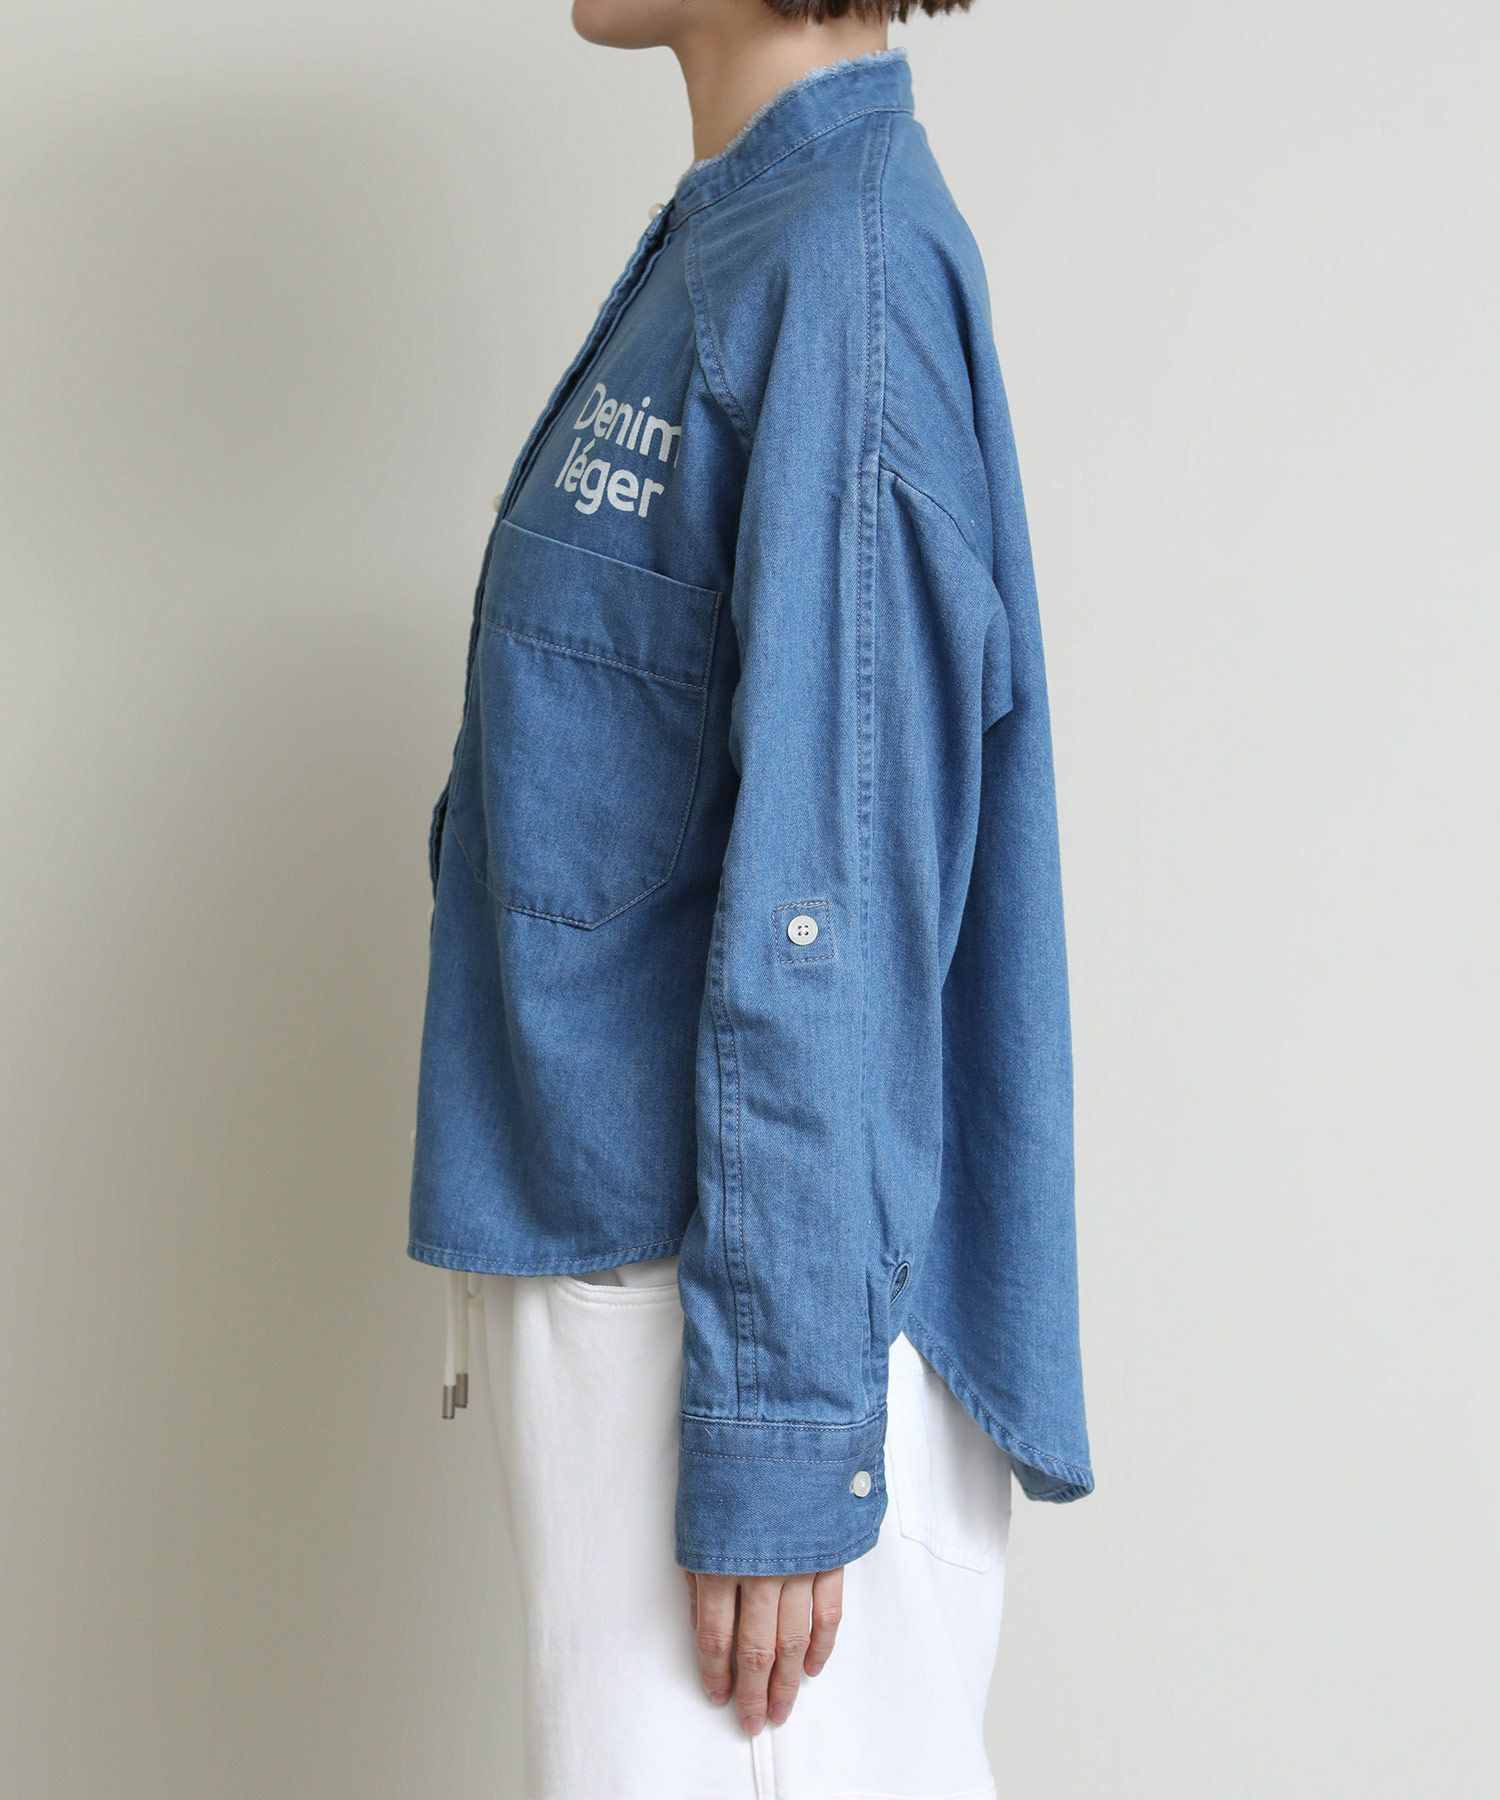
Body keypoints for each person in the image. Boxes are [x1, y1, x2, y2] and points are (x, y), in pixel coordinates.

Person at [406, 3, 1094, 1793]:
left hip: (736, 1352)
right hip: (656, 1330)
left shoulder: (840, 275)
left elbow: (828, 887)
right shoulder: (749, 236)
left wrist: (781, 1432)